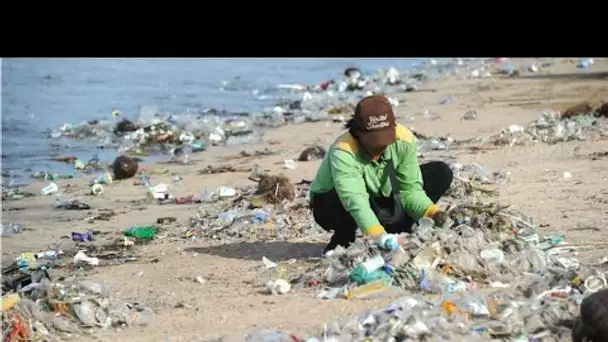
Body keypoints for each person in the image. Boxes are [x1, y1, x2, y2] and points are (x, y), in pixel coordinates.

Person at [310, 95, 454, 255]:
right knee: (340, 199)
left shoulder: (403, 140)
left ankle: (398, 227)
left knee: (440, 173)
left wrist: (433, 213)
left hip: (379, 197)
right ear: (357, 133)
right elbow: (355, 200)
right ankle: (344, 236)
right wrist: (377, 236)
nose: (380, 148)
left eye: (385, 140)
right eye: (373, 142)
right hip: (335, 203)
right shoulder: (344, 151)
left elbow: (410, 190)